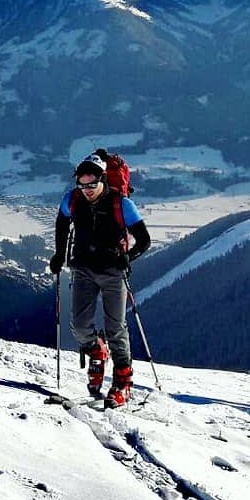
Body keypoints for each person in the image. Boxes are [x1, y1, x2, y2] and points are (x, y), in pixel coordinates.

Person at [49, 153, 151, 407]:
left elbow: (144, 240)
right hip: (83, 267)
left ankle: (122, 383)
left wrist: (128, 257)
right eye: (82, 185)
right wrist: (59, 254)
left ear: (102, 179)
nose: (87, 191)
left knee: (116, 327)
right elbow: (62, 223)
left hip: (113, 272)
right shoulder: (72, 200)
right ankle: (97, 350)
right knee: (80, 325)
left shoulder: (121, 204)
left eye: (92, 185)